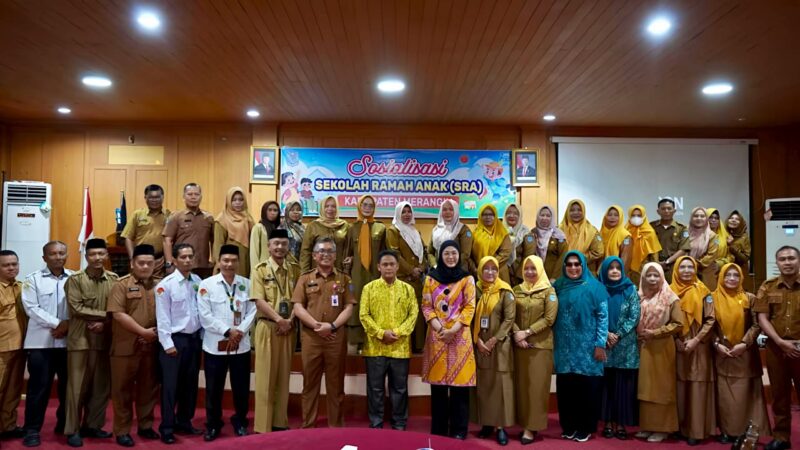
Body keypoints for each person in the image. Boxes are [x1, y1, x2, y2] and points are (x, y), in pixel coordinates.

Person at [292, 237, 355, 428]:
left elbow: (349, 307)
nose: (326, 255)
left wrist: (332, 326)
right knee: (310, 384)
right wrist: (317, 326)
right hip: (311, 338)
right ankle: (308, 426)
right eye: (322, 251)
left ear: (335, 256)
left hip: (335, 338)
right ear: (314, 255)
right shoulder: (305, 278)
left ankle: (335, 427)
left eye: (330, 251)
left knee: (336, 386)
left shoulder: (345, 279)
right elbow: (297, 307)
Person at [64, 238, 118, 447]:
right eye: (93, 254)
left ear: (106, 256)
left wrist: (106, 323)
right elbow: (76, 308)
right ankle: (73, 429)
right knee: (76, 388)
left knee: (101, 388)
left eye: (101, 254)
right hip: (80, 341)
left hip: (104, 340)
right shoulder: (76, 279)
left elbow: (119, 307)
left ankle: (93, 425)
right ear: (86, 257)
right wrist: (106, 316)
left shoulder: (114, 279)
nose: (97, 258)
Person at [197, 245, 255, 441]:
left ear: (238, 262)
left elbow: (253, 311)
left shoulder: (247, 284)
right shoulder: (207, 285)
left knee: (241, 388)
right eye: (225, 260)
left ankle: (240, 421)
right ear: (219, 261)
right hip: (215, 346)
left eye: (233, 260)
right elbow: (205, 316)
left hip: (241, 345)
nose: (229, 264)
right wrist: (227, 331)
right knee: (213, 389)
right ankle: (213, 424)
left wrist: (239, 332)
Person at [421, 240, 476, 440]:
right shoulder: (430, 279)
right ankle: (439, 431)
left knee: (460, 389)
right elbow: (426, 306)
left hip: (460, 337)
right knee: (438, 390)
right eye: (447, 254)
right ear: (441, 256)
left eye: (454, 253)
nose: (451, 257)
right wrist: (440, 328)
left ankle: (459, 431)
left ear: (459, 255)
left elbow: (470, 307)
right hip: (437, 337)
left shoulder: (467, 279)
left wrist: (453, 330)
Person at [107, 244, 160, 447]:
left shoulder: (161, 285)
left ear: (155, 264)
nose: (145, 266)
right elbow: (118, 314)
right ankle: (122, 430)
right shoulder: (121, 285)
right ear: (132, 263)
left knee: (148, 389)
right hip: (125, 347)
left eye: (149, 263)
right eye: (141, 262)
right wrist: (142, 332)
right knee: (122, 391)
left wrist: (152, 334)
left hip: (150, 347)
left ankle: (146, 426)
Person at [21, 241, 73, 447]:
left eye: (62, 253)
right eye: (53, 254)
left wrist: (68, 325)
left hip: (69, 343)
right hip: (41, 344)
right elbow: (31, 308)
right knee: (38, 389)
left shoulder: (75, 278)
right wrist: (58, 324)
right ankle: (32, 429)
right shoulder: (33, 279)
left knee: (68, 388)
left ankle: (64, 424)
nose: (58, 257)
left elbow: (79, 304)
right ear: (44, 257)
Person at [552, 251, 609, 443]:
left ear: (583, 265)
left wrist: (600, 344)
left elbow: (603, 317)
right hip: (564, 348)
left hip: (587, 349)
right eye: (569, 264)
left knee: (587, 390)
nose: (573, 268)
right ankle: (568, 426)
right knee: (567, 389)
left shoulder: (596, 288)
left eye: (577, 264)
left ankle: (585, 428)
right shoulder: (559, 286)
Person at [712, 263, 770, 444]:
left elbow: (756, 324)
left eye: (735, 275)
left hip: (744, 355)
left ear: (741, 278)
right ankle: (727, 431)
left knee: (744, 396)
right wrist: (716, 344)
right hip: (723, 353)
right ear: (721, 277)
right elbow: (708, 325)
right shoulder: (711, 298)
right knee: (725, 397)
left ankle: (745, 431)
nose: (731, 278)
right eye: (727, 275)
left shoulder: (749, 298)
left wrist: (744, 344)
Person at [359, 250, 418, 430]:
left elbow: (413, 314)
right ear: (378, 267)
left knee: (399, 389)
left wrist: (398, 332)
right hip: (375, 347)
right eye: (385, 264)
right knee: (375, 389)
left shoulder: (408, 289)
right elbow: (364, 315)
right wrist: (380, 333)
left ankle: (399, 423)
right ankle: (376, 422)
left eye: (392, 264)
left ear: (398, 266)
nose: (389, 267)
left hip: (400, 348)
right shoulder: (368, 288)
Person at [250, 229, 299, 434]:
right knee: (265, 378)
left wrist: (290, 320)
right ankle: (262, 426)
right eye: (276, 243)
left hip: (288, 328)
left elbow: (300, 299)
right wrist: (279, 319)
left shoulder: (295, 269)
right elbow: (258, 300)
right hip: (268, 327)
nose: (280, 247)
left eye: (284, 243)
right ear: (269, 246)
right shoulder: (260, 270)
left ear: (288, 246)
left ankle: (280, 421)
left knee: (283, 376)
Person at [155, 243, 203, 444]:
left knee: (190, 385)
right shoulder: (165, 285)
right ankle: (167, 426)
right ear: (174, 260)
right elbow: (163, 317)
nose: (187, 260)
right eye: (183, 257)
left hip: (193, 340)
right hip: (174, 341)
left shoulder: (198, 281)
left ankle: (184, 421)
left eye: (190, 256)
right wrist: (167, 344)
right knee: (170, 387)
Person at [754, 245, 800, 450]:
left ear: (798, 261)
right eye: (782, 259)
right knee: (779, 396)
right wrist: (780, 342)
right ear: (777, 262)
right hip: (776, 349)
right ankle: (782, 438)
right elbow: (762, 317)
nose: (787, 262)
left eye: (791, 258)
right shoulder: (768, 286)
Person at [670, 256, 716, 445]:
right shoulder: (669, 291)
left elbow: (711, 319)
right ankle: (678, 427)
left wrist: (696, 340)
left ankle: (695, 431)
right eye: (683, 267)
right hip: (676, 345)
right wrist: (675, 340)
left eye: (691, 267)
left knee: (697, 387)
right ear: (676, 270)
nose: (687, 270)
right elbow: (664, 319)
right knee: (679, 387)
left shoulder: (704, 291)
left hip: (699, 345)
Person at [512, 255, 557, 445]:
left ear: (540, 270)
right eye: (527, 268)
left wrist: (527, 333)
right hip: (520, 346)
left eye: (533, 269)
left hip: (540, 347)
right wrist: (516, 334)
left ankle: (532, 427)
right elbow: (508, 314)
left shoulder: (549, 291)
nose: (530, 272)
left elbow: (549, 319)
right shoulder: (516, 290)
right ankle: (524, 424)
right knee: (522, 388)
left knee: (536, 389)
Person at [634, 262, 682, 443]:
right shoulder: (639, 297)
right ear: (643, 277)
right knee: (646, 388)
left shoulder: (670, 298)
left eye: (656, 275)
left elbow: (678, 324)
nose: (652, 279)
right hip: (644, 346)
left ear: (662, 277)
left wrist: (655, 332)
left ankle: (664, 428)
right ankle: (648, 426)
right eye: (649, 275)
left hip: (662, 346)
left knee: (662, 388)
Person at [473, 256, 516, 446]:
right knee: (485, 386)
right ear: (480, 270)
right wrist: (478, 341)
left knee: (500, 387)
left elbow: (509, 320)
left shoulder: (506, 291)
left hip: (499, 347)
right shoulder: (475, 290)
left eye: (494, 269)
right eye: (486, 269)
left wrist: (492, 340)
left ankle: (500, 427)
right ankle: (487, 424)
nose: (490, 273)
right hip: (480, 345)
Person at [598, 256, 640, 441]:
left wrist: (618, 334)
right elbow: (595, 313)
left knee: (623, 386)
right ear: (605, 270)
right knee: (606, 384)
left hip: (625, 346)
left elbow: (634, 315)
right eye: (610, 268)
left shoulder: (630, 289)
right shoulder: (599, 289)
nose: (614, 271)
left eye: (618, 268)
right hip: (604, 343)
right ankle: (607, 421)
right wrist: (606, 334)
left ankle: (621, 422)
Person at [343, 195, 386, 349]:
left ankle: (372, 339)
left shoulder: (380, 228)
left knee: (373, 305)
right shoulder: (352, 227)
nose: (367, 208)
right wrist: (347, 265)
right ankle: (355, 341)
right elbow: (347, 252)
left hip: (375, 274)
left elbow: (384, 253)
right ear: (359, 206)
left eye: (370, 205)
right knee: (356, 303)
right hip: (356, 274)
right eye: (364, 205)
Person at [386, 201, 427, 353]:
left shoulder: (416, 232)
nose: (407, 215)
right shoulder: (393, 231)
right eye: (403, 212)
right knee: (403, 315)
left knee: (417, 315)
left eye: (409, 211)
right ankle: (404, 347)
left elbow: (424, 252)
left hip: (417, 281)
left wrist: (421, 269)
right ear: (398, 213)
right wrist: (411, 270)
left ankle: (418, 347)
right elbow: (395, 254)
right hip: (403, 279)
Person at [0, 250, 26, 441]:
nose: (11, 268)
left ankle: (8, 426)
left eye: (14, 264)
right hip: (1, 348)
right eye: (6, 265)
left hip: (19, 347)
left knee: (13, 390)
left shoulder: (22, 287)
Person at [163, 183, 214, 278]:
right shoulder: (176, 216)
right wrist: (169, 263)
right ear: (184, 197)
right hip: (181, 266)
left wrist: (215, 261)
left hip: (203, 266)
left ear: (201, 197)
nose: (193, 197)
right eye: (190, 194)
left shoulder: (208, 218)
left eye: (196, 194)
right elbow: (167, 241)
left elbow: (214, 242)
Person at [121, 184, 170, 277]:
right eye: (151, 197)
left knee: (158, 288)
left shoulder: (169, 215)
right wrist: (132, 259)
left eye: (157, 197)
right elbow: (128, 238)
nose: (154, 200)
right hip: (140, 259)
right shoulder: (137, 214)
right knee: (138, 286)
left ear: (162, 197)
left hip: (160, 261)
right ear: (145, 198)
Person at [299, 196, 350, 272]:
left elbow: (349, 249)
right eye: (326, 206)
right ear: (322, 208)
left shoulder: (344, 225)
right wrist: (304, 273)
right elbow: (305, 252)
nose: (330, 209)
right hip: (317, 272)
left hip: (339, 271)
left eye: (333, 206)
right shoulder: (313, 226)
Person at [212, 187, 255, 278]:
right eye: (234, 200)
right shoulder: (221, 219)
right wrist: (219, 262)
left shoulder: (248, 218)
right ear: (228, 201)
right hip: (228, 260)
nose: (238, 203)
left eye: (241, 199)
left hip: (245, 259)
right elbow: (218, 244)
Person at [521, 205, 568, 281]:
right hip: (533, 276)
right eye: (542, 215)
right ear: (537, 217)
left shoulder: (559, 235)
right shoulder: (531, 233)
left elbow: (563, 257)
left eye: (548, 216)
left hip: (553, 278)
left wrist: (555, 277)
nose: (544, 218)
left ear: (552, 218)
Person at [427, 199, 473, 273]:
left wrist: (449, 266)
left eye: (451, 209)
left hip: (458, 271)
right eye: (444, 210)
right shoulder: (436, 230)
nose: (447, 212)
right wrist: (435, 265)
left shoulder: (463, 230)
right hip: (438, 271)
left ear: (456, 211)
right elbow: (430, 252)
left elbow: (465, 254)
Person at [651, 198, 691, 283]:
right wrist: (657, 263)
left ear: (674, 211)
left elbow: (683, 249)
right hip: (654, 265)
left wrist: (667, 262)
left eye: (669, 208)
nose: (666, 211)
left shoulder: (681, 228)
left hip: (673, 266)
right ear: (658, 211)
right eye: (663, 209)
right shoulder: (651, 227)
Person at [559, 199, 604, 270]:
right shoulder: (558, 230)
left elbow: (598, 252)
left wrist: (578, 260)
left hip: (585, 270)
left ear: (583, 211)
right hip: (562, 270)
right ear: (567, 212)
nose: (576, 213)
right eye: (572, 210)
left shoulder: (592, 230)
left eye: (579, 210)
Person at [472, 204, 512, 283]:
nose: (488, 217)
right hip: (479, 272)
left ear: (495, 216)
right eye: (484, 215)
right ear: (480, 216)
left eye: (491, 214)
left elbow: (505, 252)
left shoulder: (502, 232)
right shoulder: (475, 233)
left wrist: (488, 266)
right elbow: (469, 254)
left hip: (499, 272)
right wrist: (474, 268)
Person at [625, 205, 662, 286]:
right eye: (633, 215)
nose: (636, 218)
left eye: (639, 216)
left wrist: (655, 271)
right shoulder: (625, 230)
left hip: (645, 270)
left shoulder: (650, 232)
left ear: (644, 216)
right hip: (627, 271)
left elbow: (654, 254)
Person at [687, 207, 720, 291]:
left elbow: (712, 255)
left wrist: (695, 264)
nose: (699, 218)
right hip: (686, 270)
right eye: (696, 216)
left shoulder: (713, 236)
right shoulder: (685, 232)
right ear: (691, 217)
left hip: (704, 271)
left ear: (706, 218)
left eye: (702, 216)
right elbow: (682, 248)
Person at [250, 200, 282, 269]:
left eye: (275, 210)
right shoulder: (258, 227)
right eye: (269, 210)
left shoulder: (280, 228)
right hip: (263, 269)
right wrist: (256, 271)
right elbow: (254, 252)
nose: (272, 213)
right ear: (264, 211)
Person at [600, 206, 632, 273]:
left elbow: (625, 259)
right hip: (601, 272)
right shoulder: (601, 233)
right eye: (609, 215)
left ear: (620, 217)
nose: (612, 217)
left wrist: (620, 275)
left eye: (616, 215)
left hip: (615, 273)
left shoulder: (625, 235)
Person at [504, 203, 529, 286]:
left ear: (520, 216)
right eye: (508, 213)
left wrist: (519, 274)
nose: (512, 216)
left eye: (515, 213)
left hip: (521, 274)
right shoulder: (499, 231)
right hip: (503, 273)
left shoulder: (526, 232)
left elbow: (528, 255)